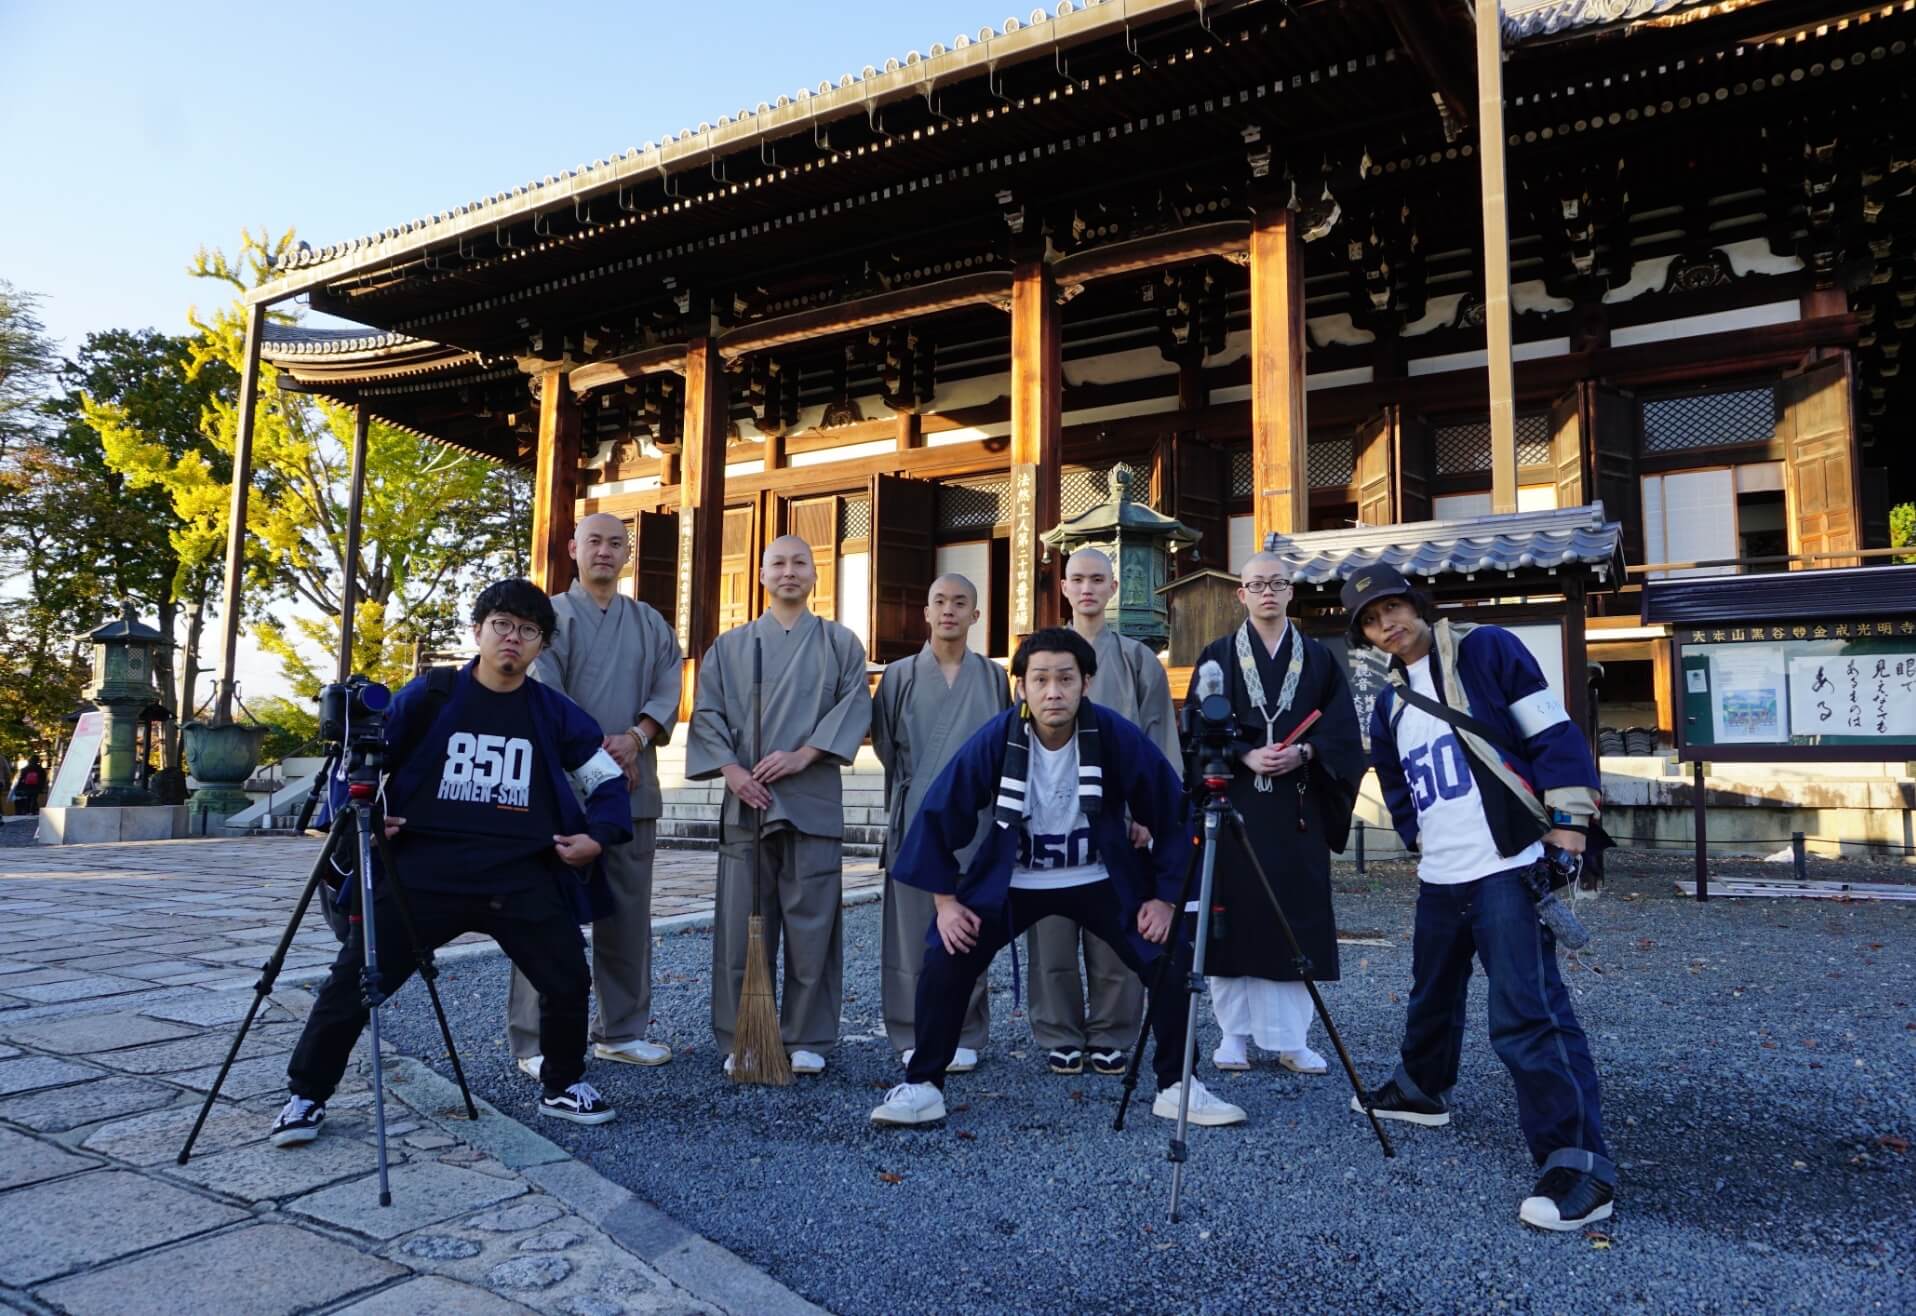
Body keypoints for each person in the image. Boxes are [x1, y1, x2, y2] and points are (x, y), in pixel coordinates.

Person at [271, 579, 634, 1147]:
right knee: (354, 982)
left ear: (542, 644)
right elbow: (357, 759)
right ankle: (306, 1095)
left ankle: (563, 1084)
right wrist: (363, 818)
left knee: (567, 977)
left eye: (528, 630)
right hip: (423, 870)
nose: (513, 638)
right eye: (502, 625)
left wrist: (601, 836)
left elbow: (605, 776)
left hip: (521, 871)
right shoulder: (433, 693)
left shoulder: (553, 712)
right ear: (478, 631)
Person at [870, 627, 1242, 1128]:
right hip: (1014, 879)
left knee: (1168, 954)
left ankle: (1177, 1085)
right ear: (1020, 686)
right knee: (946, 952)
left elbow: (1171, 810)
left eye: (1065, 679)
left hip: (1099, 874)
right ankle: (923, 1085)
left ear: (1086, 683)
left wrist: (1167, 900)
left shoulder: (1112, 734)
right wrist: (945, 903)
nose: (1053, 691)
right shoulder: (998, 738)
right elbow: (941, 810)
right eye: (1040, 679)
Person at [1342, 564, 1613, 1232]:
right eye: (1372, 621)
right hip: (1442, 871)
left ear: (1417, 603)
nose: (1388, 626)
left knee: (1528, 1014)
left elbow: (1552, 733)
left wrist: (1570, 827)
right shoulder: (1390, 701)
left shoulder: (1487, 648)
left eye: (1393, 608)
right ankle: (1421, 1087)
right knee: (1430, 991)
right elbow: (1395, 779)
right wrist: (1416, 835)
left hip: (1508, 862)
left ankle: (1580, 1163)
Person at [686, 534, 871, 1075]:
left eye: (800, 563)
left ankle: (809, 1034)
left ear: (815, 575)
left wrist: (804, 755)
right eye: (778, 564)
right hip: (748, 800)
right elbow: (708, 714)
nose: (789, 572)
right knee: (743, 922)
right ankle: (743, 1033)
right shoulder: (731, 645)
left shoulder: (841, 643)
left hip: (810, 796)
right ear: (761, 575)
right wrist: (733, 772)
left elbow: (854, 704)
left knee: (813, 921)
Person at [510, 512, 683, 1083]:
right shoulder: (549, 617)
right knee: (543, 913)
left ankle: (624, 1031)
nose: (604, 552)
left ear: (627, 553)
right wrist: (599, 757)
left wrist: (636, 738)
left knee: (628, 914)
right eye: (594, 542)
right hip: (561, 787)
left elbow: (668, 685)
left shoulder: (649, 621)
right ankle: (534, 1040)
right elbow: (545, 694)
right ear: (572, 549)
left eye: (615, 543)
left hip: (634, 787)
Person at [1193, 551, 1365, 1076]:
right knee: (1231, 918)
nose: (1268, 592)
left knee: (1296, 917)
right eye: (1256, 584)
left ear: (1291, 591)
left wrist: (1305, 753)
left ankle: (1292, 1040)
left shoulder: (1317, 658)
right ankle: (1233, 1036)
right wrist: (1243, 754)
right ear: (1240, 594)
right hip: (1237, 803)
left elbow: (1341, 729)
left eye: (1278, 583)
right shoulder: (1217, 655)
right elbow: (1198, 724)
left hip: (1298, 807)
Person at [1023, 547, 1181, 1077]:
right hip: (1049, 815)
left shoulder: (1138, 660)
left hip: (1120, 819)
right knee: (1050, 928)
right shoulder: (1040, 657)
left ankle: (1112, 1032)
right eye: (1077, 579)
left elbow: (1160, 741)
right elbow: (1015, 744)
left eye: (1098, 579)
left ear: (1114, 588)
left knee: (1117, 927)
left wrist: (1148, 815)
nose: (1087, 588)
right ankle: (1058, 1032)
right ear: (1062, 588)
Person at [871, 574, 1011, 1073]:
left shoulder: (994, 677)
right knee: (910, 931)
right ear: (926, 613)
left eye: (960, 603)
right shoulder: (900, 675)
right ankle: (910, 1030)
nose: (949, 610)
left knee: (969, 925)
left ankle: (965, 1030)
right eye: (939, 602)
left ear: (976, 615)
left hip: (977, 818)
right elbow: (888, 748)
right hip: (916, 814)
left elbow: (1004, 744)